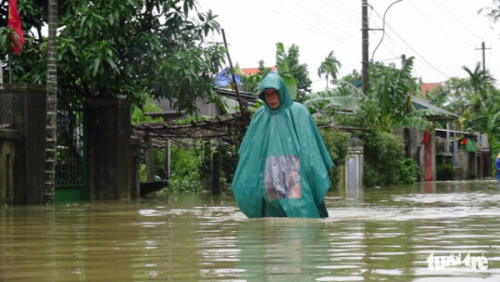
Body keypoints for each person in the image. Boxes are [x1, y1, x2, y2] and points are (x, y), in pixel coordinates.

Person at [231, 72, 333, 218]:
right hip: (269, 169)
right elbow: (251, 150)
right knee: (272, 217)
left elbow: (309, 146)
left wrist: (309, 170)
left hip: (294, 169)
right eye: (267, 95)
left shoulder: (299, 112)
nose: (271, 98)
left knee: (299, 213)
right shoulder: (260, 116)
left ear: (282, 92)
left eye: (274, 93)